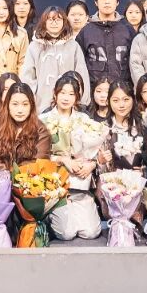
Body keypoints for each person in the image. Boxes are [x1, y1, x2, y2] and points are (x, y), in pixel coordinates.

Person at [42, 74, 102, 242]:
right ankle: (51, 213)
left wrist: (92, 164)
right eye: (62, 93)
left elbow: (97, 150)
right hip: (57, 185)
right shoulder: (44, 120)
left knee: (91, 232)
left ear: (77, 97)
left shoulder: (84, 120)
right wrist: (63, 160)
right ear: (55, 94)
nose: (66, 98)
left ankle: (82, 207)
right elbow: (38, 155)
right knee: (66, 233)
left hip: (80, 183)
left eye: (71, 94)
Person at [21, 6, 91, 107]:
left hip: (69, 103)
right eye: (50, 19)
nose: (54, 23)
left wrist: (82, 101)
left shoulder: (73, 46)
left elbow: (81, 74)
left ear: (64, 22)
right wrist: (31, 99)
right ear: (44, 22)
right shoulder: (34, 46)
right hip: (41, 103)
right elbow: (27, 76)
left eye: (58, 19)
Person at [76, 0, 134, 87]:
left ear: (117, 2)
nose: (107, 2)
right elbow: (79, 63)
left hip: (123, 89)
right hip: (95, 90)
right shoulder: (86, 31)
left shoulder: (127, 29)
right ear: (96, 2)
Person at [0, 81, 52, 171]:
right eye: (15, 104)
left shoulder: (40, 130)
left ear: (31, 106)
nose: (20, 110)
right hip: (1, 175)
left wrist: (15, 173)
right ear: (8, 105)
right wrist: (5, 171)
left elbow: (39, 160)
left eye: (25, 104)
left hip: (29, 177)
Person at [97, 78, 146, 173]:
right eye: (115, 100)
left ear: (133, 99)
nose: (121, 105)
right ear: (108, 102)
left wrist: (144, 170)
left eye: (126, 99)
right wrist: (101, 161)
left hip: (139, 180)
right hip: (113, 180)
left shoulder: (143, 125)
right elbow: (99, 170)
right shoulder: (103, 128)